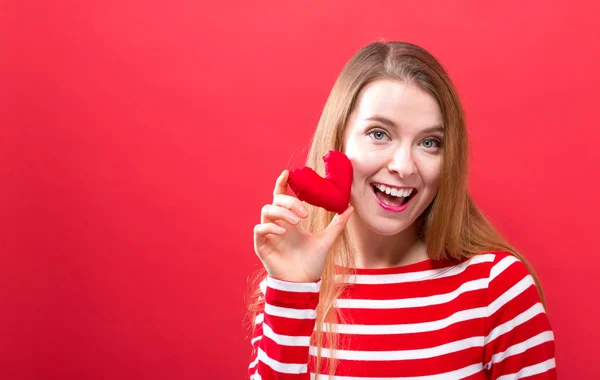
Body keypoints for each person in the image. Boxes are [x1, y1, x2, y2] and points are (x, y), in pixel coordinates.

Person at [246, 41, 557, 379]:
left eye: (429, 142)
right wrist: (292, 290)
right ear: (338, 142)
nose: (404, 166)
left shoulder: (496, 286)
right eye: (379, 134)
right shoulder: (291, 287)